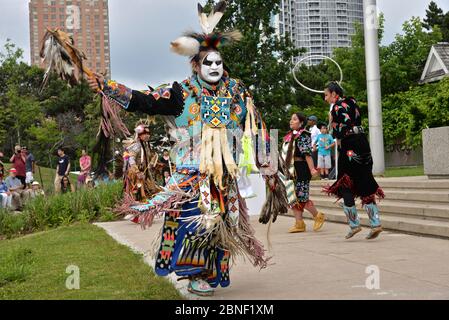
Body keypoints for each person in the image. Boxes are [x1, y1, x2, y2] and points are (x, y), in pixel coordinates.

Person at [87, 1, 285, 297]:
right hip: (191, 177)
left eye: (218, 62)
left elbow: (257, 129)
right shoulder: (181, 92)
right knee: (198, 223)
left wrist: (270, 172)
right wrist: (109, 87)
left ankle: (207, 272)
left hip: (224, 177)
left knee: (220, 225)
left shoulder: (237, 92)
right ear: (195, 65)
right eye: (208, 63)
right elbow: (146, 100)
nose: (215, 67)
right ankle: (194, 274)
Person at [324, 82, 384, 240]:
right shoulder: (352, 101)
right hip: (363, 143)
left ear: (334, 94)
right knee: (365, 180)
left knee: (345, 183)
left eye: (326, 95)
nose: (325, 98)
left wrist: (331, 121)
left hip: (349, 145)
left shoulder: (336, 107)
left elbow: (337, 131)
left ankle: (354, 224)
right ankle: (375, 222)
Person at [281, 113, 326, 233]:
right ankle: (299, 223)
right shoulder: (288, 137)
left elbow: (307, 154)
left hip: (301, 168)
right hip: (289, 170)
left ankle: (318, 216)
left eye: (294, 119)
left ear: (301, 123)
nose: (291, 121)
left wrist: (312, 169)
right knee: (292, 197)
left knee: (302, 197)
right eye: (291, 119)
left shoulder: (304, 135)